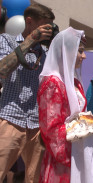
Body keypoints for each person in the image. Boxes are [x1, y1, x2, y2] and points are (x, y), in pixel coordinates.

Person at [0, 3, 55, 182]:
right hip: (10, 118)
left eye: (50, 27)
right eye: (45, 26)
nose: (48, 31)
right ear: (29, 22)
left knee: (34, 178)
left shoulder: (45, 52)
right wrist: (30, 40)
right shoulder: (6, 40)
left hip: (35, 123)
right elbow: (2, 70)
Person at [37, 27, 87, 183]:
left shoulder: (74, 82)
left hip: (77, 150)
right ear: (66, 51)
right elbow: (51, 129)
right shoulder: (53, 83)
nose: (84, 56)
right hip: (62, 159)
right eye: (80, 51)